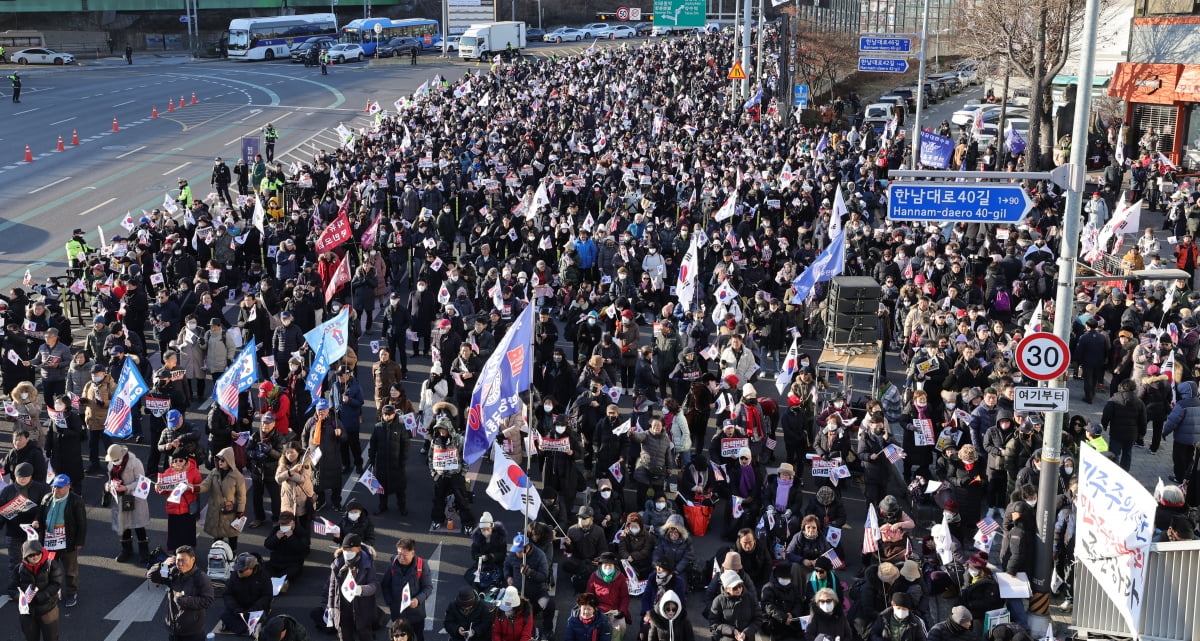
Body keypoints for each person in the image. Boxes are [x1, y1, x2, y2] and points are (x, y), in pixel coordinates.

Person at [36, 474, 86, 608]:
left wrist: (79, 541)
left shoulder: (75, 501)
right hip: (49, 541)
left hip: (67, 541)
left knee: (70, 570)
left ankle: (71, 593)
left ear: (68, 487)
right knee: (50, 569)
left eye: (59, 488)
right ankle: (53, 592)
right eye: (53, 487)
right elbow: (40, 515)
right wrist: (37, 522)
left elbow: (82, 523)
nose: (55, 491)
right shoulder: (47, 498)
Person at [147, 545, 216, 641]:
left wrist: (185, 600)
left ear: (192, 560)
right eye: (178, 560)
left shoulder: (201, 578)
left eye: (183, 560)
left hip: (192, 633)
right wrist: (163, 564)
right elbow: (151, 576)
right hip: (173, 630)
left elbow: (208, 600)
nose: (180, 564)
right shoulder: (173, 573)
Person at [105, 444, 152, 564]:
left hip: (134, 497)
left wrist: (126, 488)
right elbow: (110, 478)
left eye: (116, 460)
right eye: (112, 460)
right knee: (124, 524)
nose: (114, 462)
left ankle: (144, 550)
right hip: (120, 498)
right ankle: (126, 549)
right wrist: (108, 486)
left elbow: (142, 481)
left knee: (138, 524)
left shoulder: (135, 462)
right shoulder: (111, 463)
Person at [326, 534, 378, 641]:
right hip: (342, 607)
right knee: (344, 636)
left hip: (362, 607)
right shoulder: (337, 563)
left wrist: (360, 590)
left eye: (350, 549)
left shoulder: (367, 562)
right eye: (345, 549)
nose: (347, 552)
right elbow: (332, 586)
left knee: (365, 635)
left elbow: (373, 585)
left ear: (358, 549)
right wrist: (330, 606)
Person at [503, 534, 555, 638]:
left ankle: (547, 630)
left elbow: (544, 576)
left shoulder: (540, 555)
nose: (517, 554)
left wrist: (530, 573)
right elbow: (506, 565)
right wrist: (508, 576)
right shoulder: (513, 554)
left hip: (537, 592)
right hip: (518, 593)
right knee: (506, 609)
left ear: (527, 547)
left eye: (520, 551)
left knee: (549, 604)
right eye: (516, 550)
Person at [381, 538, 434, 639]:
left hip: (416, 615)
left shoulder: (421, 565)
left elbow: (428, 588)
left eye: (404, 555)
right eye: (399, 553)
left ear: (412, 553)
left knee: (418, 637)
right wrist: (389, 602)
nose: (400, 557)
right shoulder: (393, 563)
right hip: (398, 614)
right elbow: (385, 585)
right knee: (399, 638)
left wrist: (418, 600)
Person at [197, 447, 247, 552]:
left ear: (229, 460)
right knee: (217, 536)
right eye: (218, 459)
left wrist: (240, 511)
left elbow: (241, 495)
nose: (220, 462)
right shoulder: (214, 472)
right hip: (216, 510)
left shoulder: (237, 476)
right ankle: (216, 556)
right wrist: (197, 488)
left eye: (223, 460)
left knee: (232, 535)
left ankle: (232, 555)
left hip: (230, 511)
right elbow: (205, 484)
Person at [15, 540, 63, 641]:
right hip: (27, 613)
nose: (35, 557)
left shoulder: (51, 564)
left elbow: (56, 584)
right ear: (25, 556)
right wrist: (20, 598)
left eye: (37, 553)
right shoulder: (19, 569)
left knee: (51, 638)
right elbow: (12, 588)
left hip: (48, 610)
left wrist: (40, 597)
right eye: (31, 555)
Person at [368, 404, 411, 515]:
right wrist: (371, 458)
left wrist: (403, 460)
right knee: (381, 488)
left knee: (400, 489)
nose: (387, 416)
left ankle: (402, 507)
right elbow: (373, 444)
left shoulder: (401, 427)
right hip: (381, 464)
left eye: (389, 414)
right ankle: (382, 506)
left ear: (394, 414)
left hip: (396, 464)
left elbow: (405, 444)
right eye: (385, 414)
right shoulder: (377, 427)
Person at [157, 451, 203, 551]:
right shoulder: (168, 472)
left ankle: (189, 552)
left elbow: (200, 486)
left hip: (187, 508)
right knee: (175, 533)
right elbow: (162, 491)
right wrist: (158, 488)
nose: (177, 462)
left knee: (188, 532)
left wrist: (192, 487)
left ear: (186, 461)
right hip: (173, 509)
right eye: (175, 460)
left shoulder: (193, 471)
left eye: (180, 460)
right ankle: (176, 553)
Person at [219, 553, 274, 634]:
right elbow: (227, 594)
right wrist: (235, 608)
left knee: (261, 616)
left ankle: (235, 626)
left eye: (241, 570)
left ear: (251, 569)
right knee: (224, 613)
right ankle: (250, 628)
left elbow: (267, 596)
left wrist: (254, 608)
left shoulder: (264, 576)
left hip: (254, 608)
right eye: (237, 569)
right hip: (239, 608)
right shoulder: (234, 576)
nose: (238, 572)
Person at [708, 570, 762, 641]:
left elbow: (758, 619)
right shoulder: (718, 601)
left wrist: (746, 633)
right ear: (726, 589)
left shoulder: (750, 598)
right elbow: (714, 624)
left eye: (740, 585)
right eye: (735, 588)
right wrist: (732, 631)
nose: (739, 589)